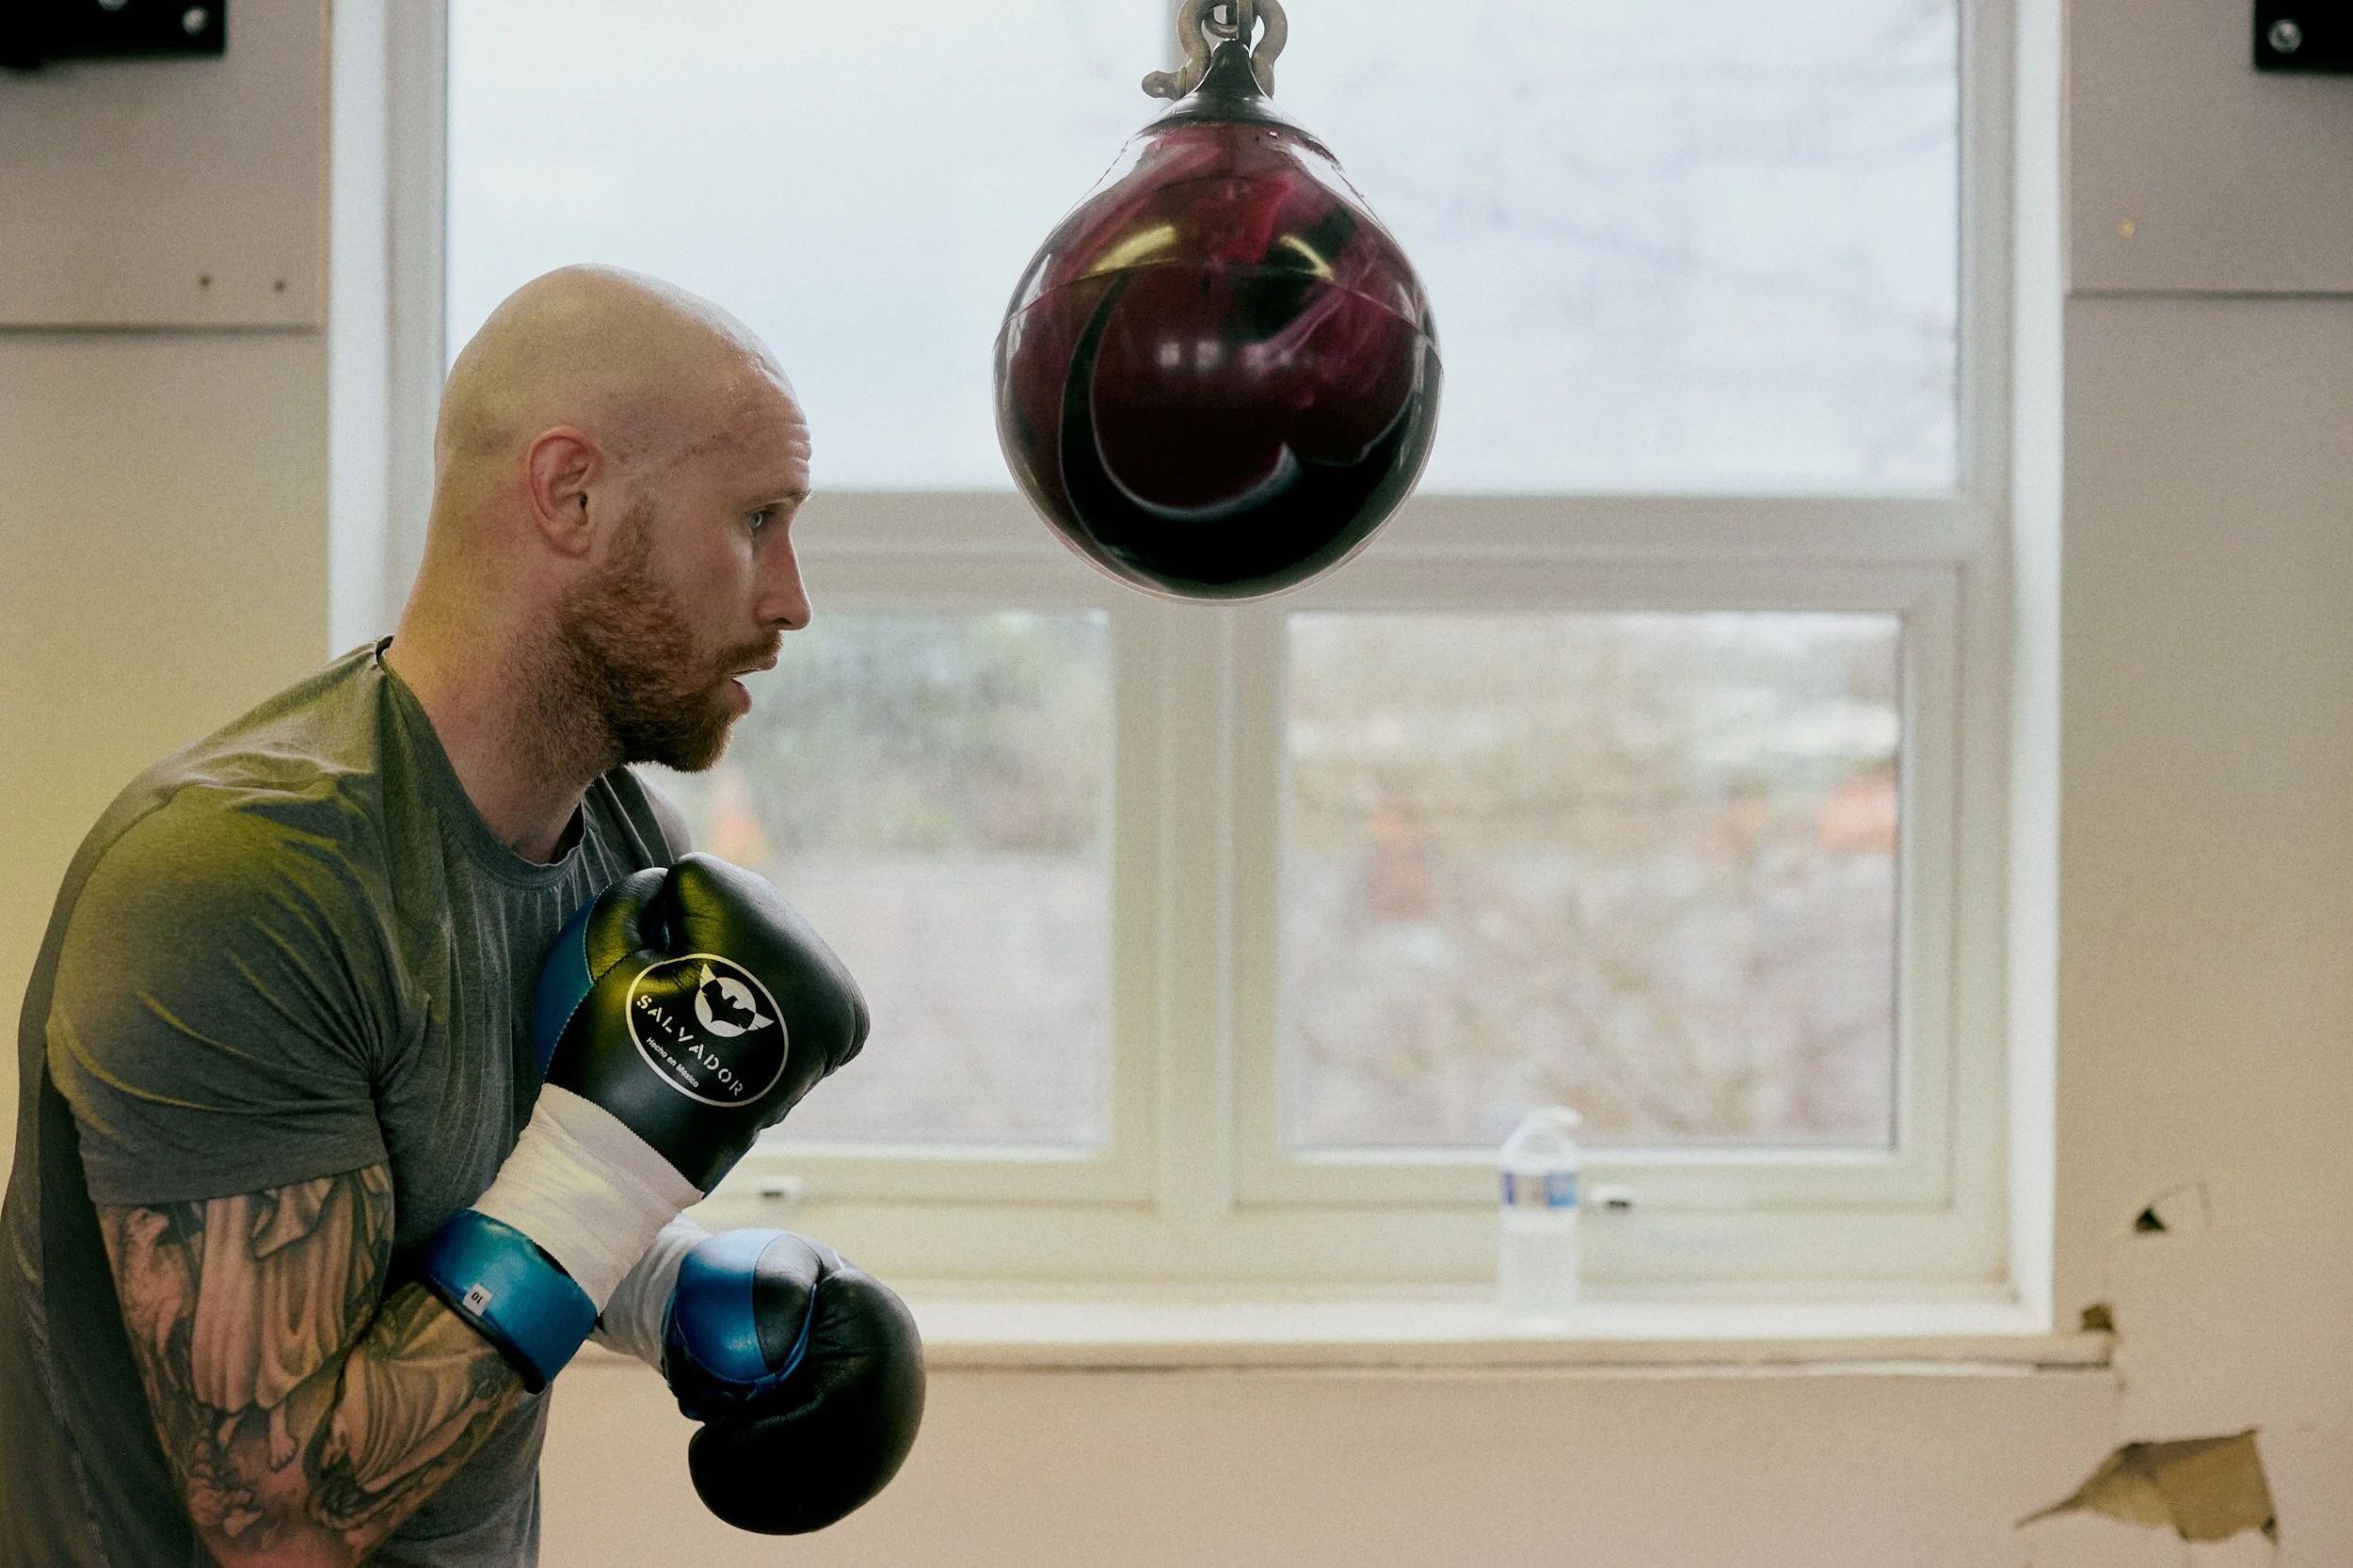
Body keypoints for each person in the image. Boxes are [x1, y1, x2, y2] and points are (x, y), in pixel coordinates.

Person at [0, 265, 888, 1567]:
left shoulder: (625, 849)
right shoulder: (241, 884)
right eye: (758, 519)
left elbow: (470, 1216)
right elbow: (276, 1520)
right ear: (570, 494)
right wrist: (608, 1183)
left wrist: (675, 1287)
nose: (792, 597)